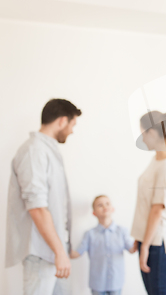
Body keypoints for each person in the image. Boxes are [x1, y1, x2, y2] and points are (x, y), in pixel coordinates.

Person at [5, 98, 82, 295]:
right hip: (42, 253)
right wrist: (59, 252)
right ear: (62, 121)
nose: (72, 131)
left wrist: (64, 248)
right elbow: (37, 206)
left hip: (55, 251)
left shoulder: (47, 151)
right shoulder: (34, 151)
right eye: (72, 125)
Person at [131, 111, 166, 295]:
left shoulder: (165, 166)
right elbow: (146, 206)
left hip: (158, 244)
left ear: (151, 133)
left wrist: (145, 246)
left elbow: (156, 210)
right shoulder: (156, 161)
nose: (142, 139)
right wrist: (139, 239)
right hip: (149, 240)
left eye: (142, 133)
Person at [70, 195, 137, 295]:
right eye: (100, 205)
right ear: (94, 213)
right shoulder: (89, 234)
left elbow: (132, 249)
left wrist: (140, 237)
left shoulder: (122, 231)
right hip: (97, 283)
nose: (104, 207)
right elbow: (76, 253)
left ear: (112, 209)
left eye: (107, 203)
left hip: (116, 282)